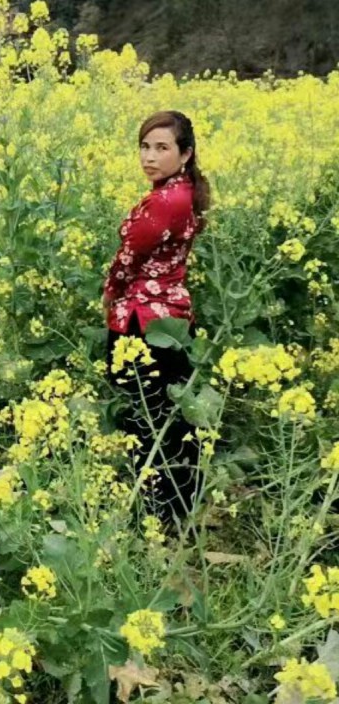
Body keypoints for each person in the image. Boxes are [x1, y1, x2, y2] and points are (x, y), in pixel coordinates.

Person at [102, 110, 211, 523]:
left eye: (162, 148)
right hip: (172, 318)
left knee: (149, 419)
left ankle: (158, 513)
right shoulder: (182, 193)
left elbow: (127, 259)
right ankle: (176, 508)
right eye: (145, 147)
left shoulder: (166, 202)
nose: (149, 156)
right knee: (171, 417)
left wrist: (110, 294)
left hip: (145, 320)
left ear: (185, 154)